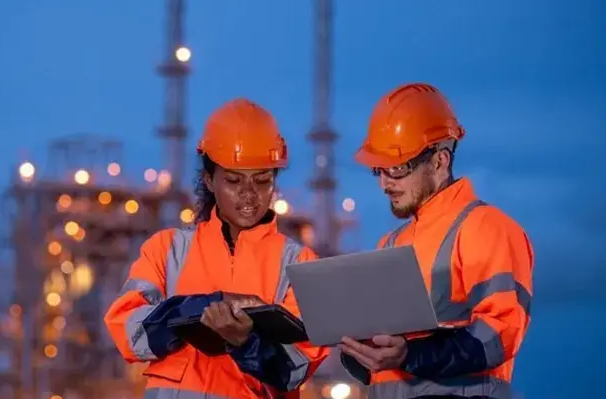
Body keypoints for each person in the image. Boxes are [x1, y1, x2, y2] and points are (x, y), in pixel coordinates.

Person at [104, 98, 329, 399]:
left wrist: (246, 343)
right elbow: (127, 330)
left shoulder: (300, 263)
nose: (249, 195)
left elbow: (298, 367)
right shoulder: (167, 249)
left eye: (262, 181)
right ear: (209, 180)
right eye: (234, 181)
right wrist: (201, 308)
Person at [338, 83, 534, 399]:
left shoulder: (487, 228)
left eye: (397, 168)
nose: (385, 184)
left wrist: (410, 355)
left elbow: (500, 332)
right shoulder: (389, 244)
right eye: (380, 170)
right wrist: (358, 348)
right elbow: (383, 362)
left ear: (440, 161)